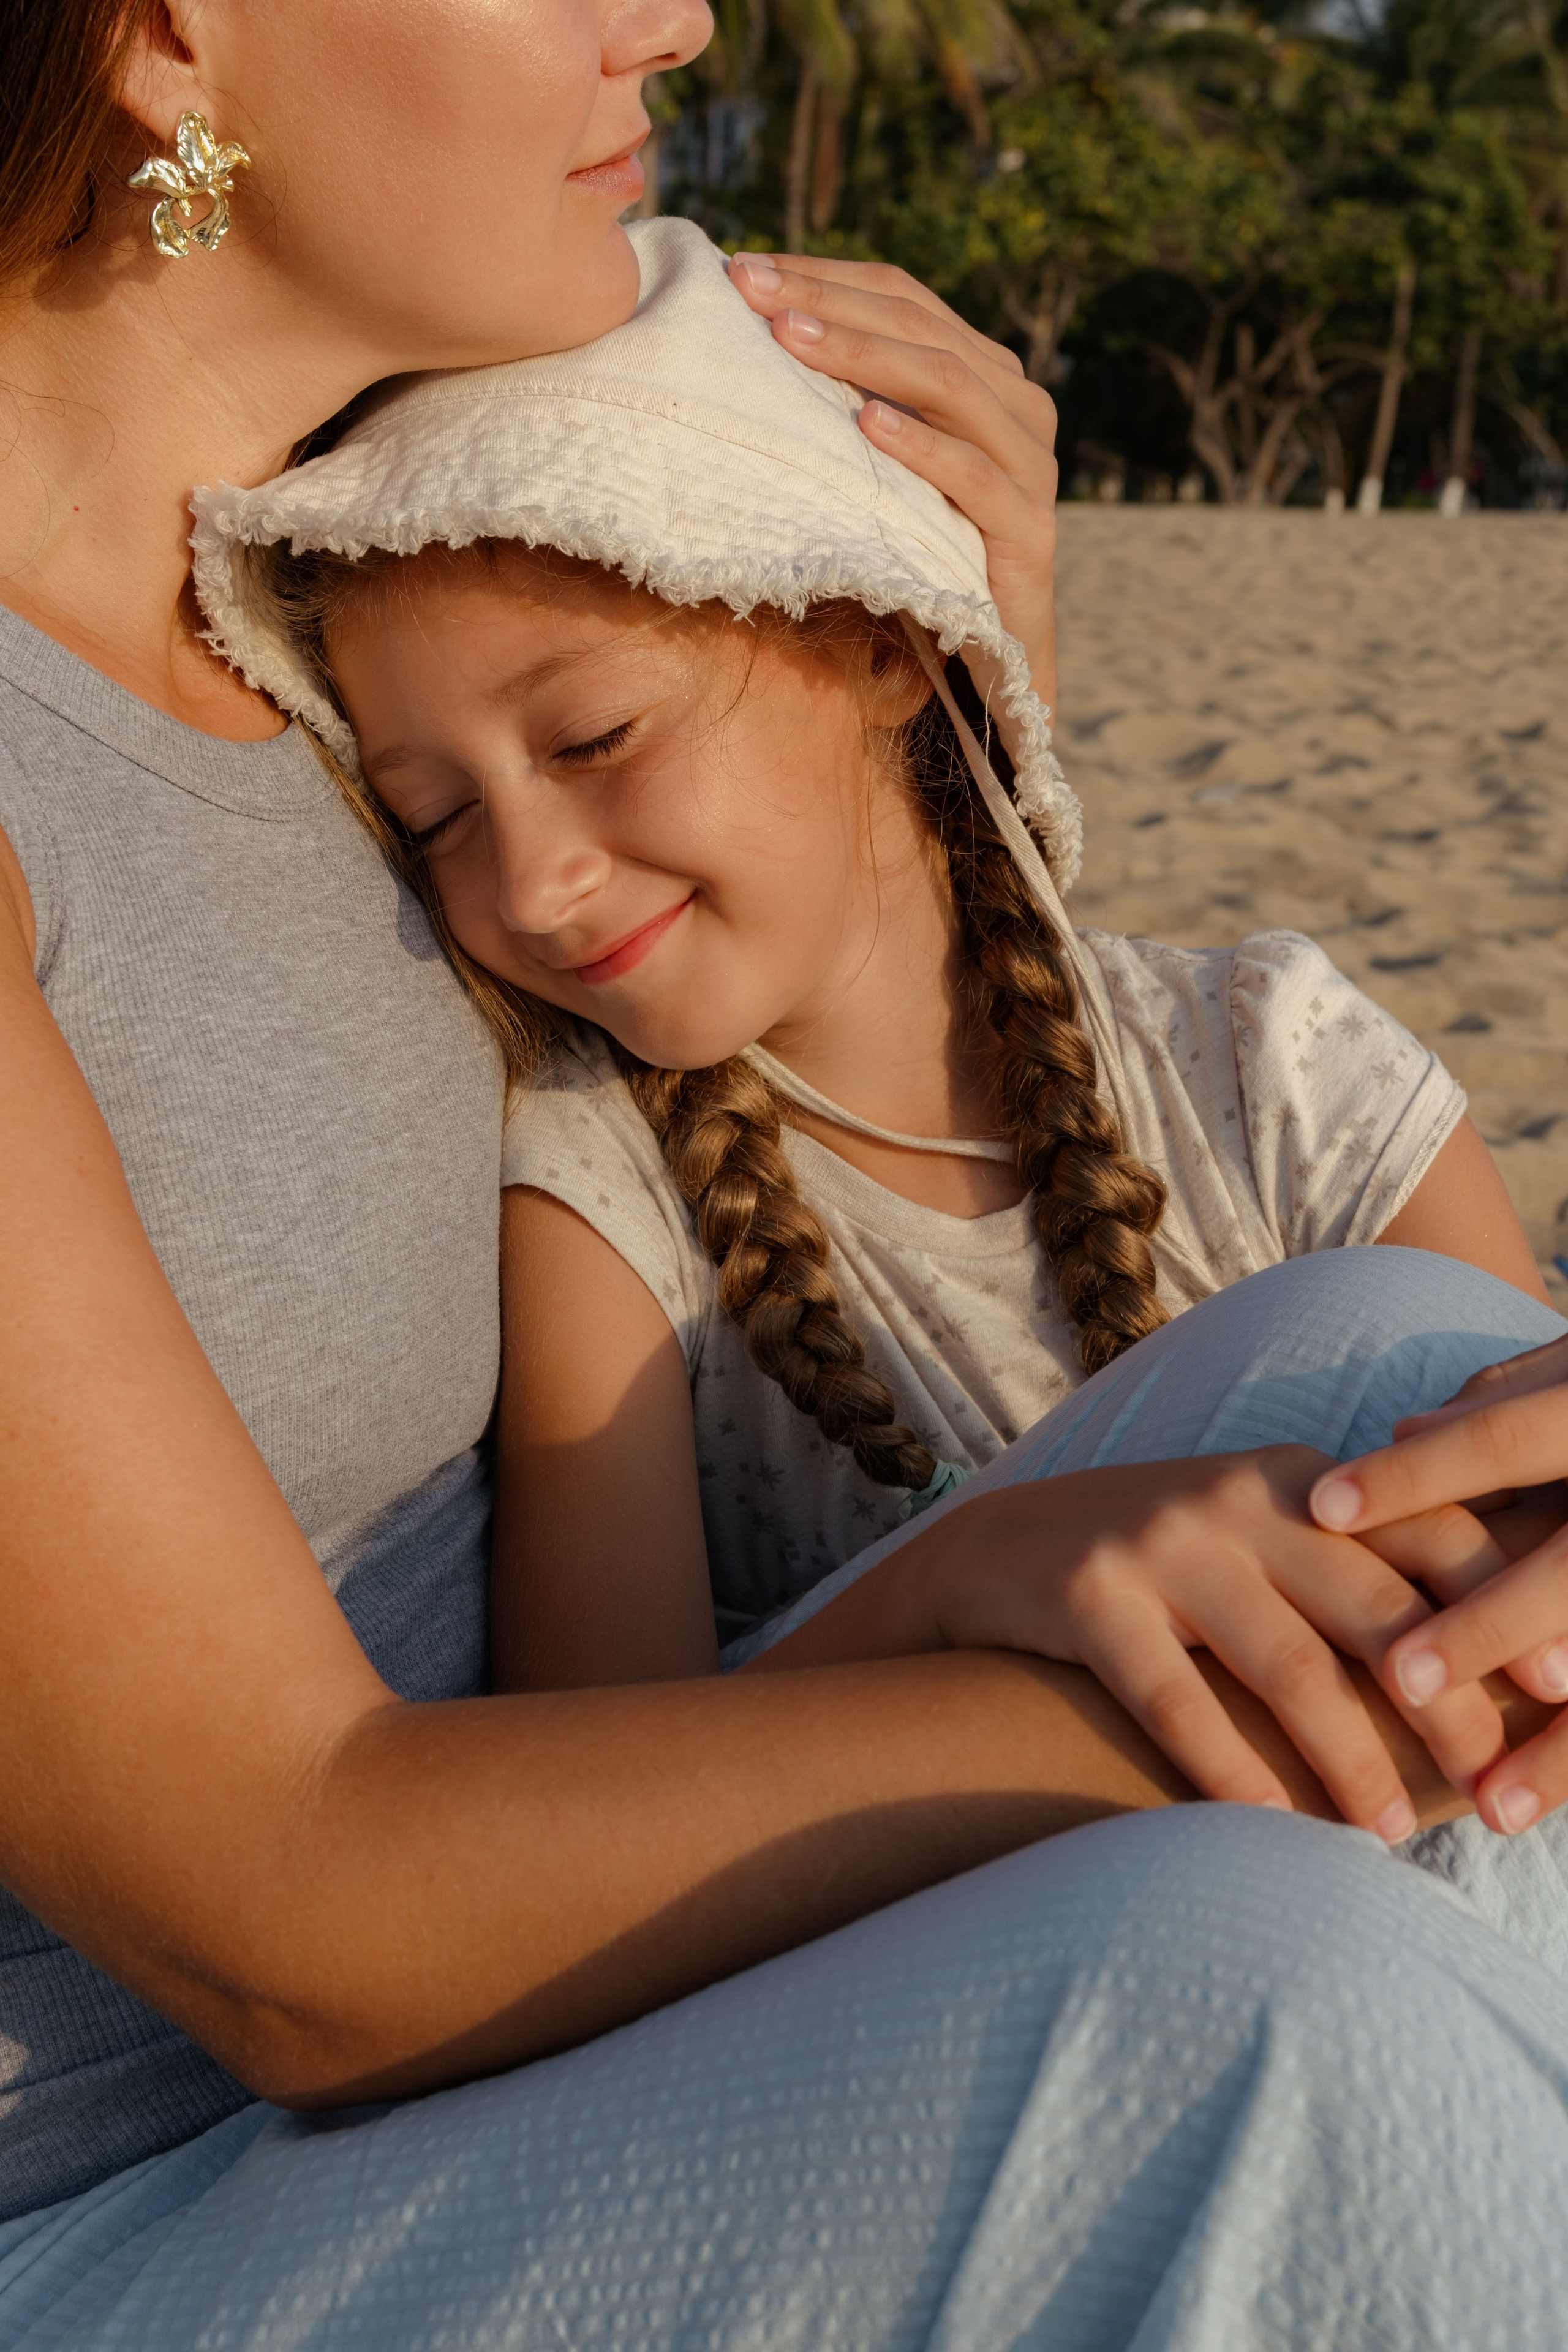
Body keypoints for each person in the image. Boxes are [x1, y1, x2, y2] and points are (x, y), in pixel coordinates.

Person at [6, 5, 1568, 2343]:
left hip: (491, 1996)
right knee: (1262, 1995)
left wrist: (926, 657)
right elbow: (280, 1919)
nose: (682, 17)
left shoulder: (340, 598)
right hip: (135, 2196)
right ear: (166, 37)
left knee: (1397, 1381)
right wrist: (1317, 1697)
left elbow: (800, 948)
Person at [216, 216, 1548, 1692]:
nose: (532, 884)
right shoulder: (610, 1204)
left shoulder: (1268, 1063)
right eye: (436, 815)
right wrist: (949, 1594)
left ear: (876, 644)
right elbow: (594, 1770)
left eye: (595, 738)